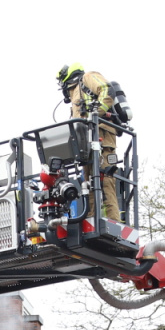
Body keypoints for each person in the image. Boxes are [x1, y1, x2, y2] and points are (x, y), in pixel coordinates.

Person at [55, 63, 126, 222]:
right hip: (85, 143)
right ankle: (92, 219)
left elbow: (107, 91)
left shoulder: (87, 77)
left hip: (102, 136)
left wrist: (94, 114)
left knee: (106, 179)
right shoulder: (75, 95)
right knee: (89, 183)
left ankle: (114, 223)